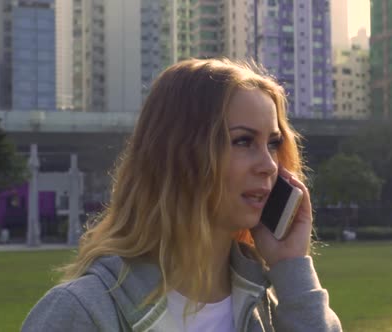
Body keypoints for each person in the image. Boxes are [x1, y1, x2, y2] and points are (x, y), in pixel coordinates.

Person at [22, 59, 342, 331]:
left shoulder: (269, 306)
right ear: (178, 154)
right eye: (243, 141)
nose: (269, 165)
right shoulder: (79, 312)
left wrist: (292, 267)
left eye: (273, 143)